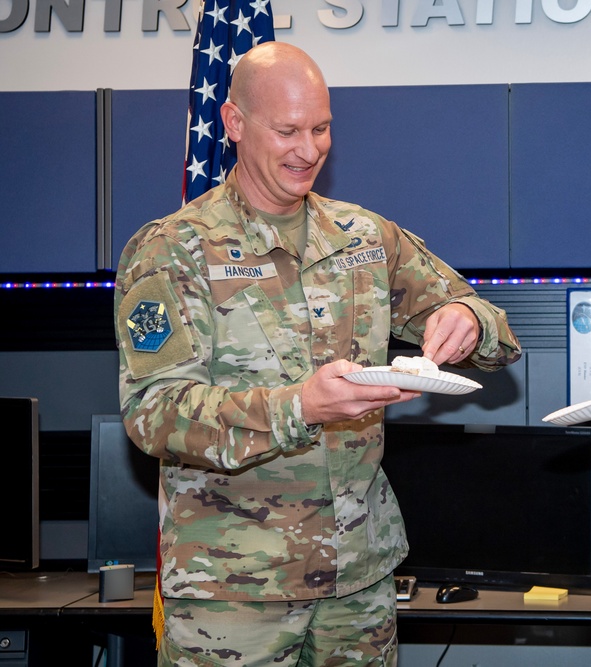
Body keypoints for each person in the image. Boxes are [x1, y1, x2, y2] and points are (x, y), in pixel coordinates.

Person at [114, 41, 521, 666]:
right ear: (233, 124)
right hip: (234, 593)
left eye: (321, 127)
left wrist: (466, 319)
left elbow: (494, 329)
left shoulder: (363, 236)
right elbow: (156, 413)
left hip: (358, 585)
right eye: (287, 131)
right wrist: (300, 406)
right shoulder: (173, 251)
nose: (309, 149)